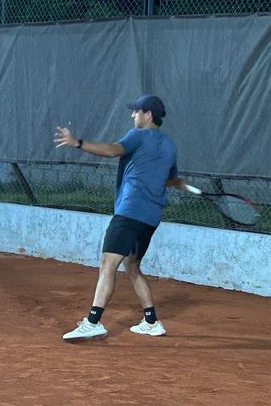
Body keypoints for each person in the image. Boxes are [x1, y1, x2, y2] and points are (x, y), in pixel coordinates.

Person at [52, 94, 189, 341]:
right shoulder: (169, 145)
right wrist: (179, 184)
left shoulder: (138, 135)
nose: (132, 115)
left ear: (148, 114)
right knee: (132, 267)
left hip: (130, 211)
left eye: (136, 111)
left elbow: (111, 150)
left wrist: (77, 142)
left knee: (108, 263)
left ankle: (93, 322)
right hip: (150, 218)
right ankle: (151, 321)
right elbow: (170, 179)